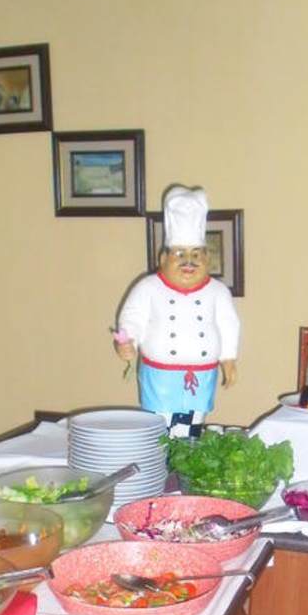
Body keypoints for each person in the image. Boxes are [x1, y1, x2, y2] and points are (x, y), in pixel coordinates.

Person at [114, 185, 240, 437]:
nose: (188, 262)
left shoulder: (217, 292)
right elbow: (133, 317)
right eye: (180, 254)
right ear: (163, 259)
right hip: (160, 376)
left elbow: (229, 325)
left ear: (207, 259)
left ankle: (186, 456)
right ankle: (161, 458)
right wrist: (127, 342)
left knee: (192, 426)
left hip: (201, 376)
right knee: (159, 427)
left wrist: (228, 359)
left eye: (196, 255)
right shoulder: (149, 287)